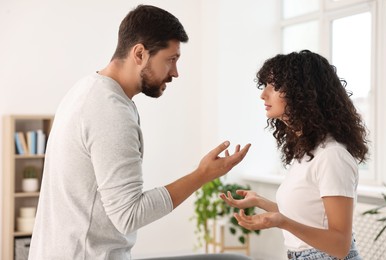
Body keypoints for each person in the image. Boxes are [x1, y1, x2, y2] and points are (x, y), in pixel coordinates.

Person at [29, 5, 251, 260]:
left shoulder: (87, 90)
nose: (176, 72)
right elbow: (129, 215)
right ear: (139, 53)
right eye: (171, 59)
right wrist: (203, 175)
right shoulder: (109, 109)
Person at [220, 50, 369, 260]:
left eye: (274, 86)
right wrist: (260, 202)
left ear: (302, 93)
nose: (263, 94)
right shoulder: (308, 151)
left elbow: (340, 245)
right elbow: (307, 217)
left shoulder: (332, 155)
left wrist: (283, 222)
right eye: (264, 86)